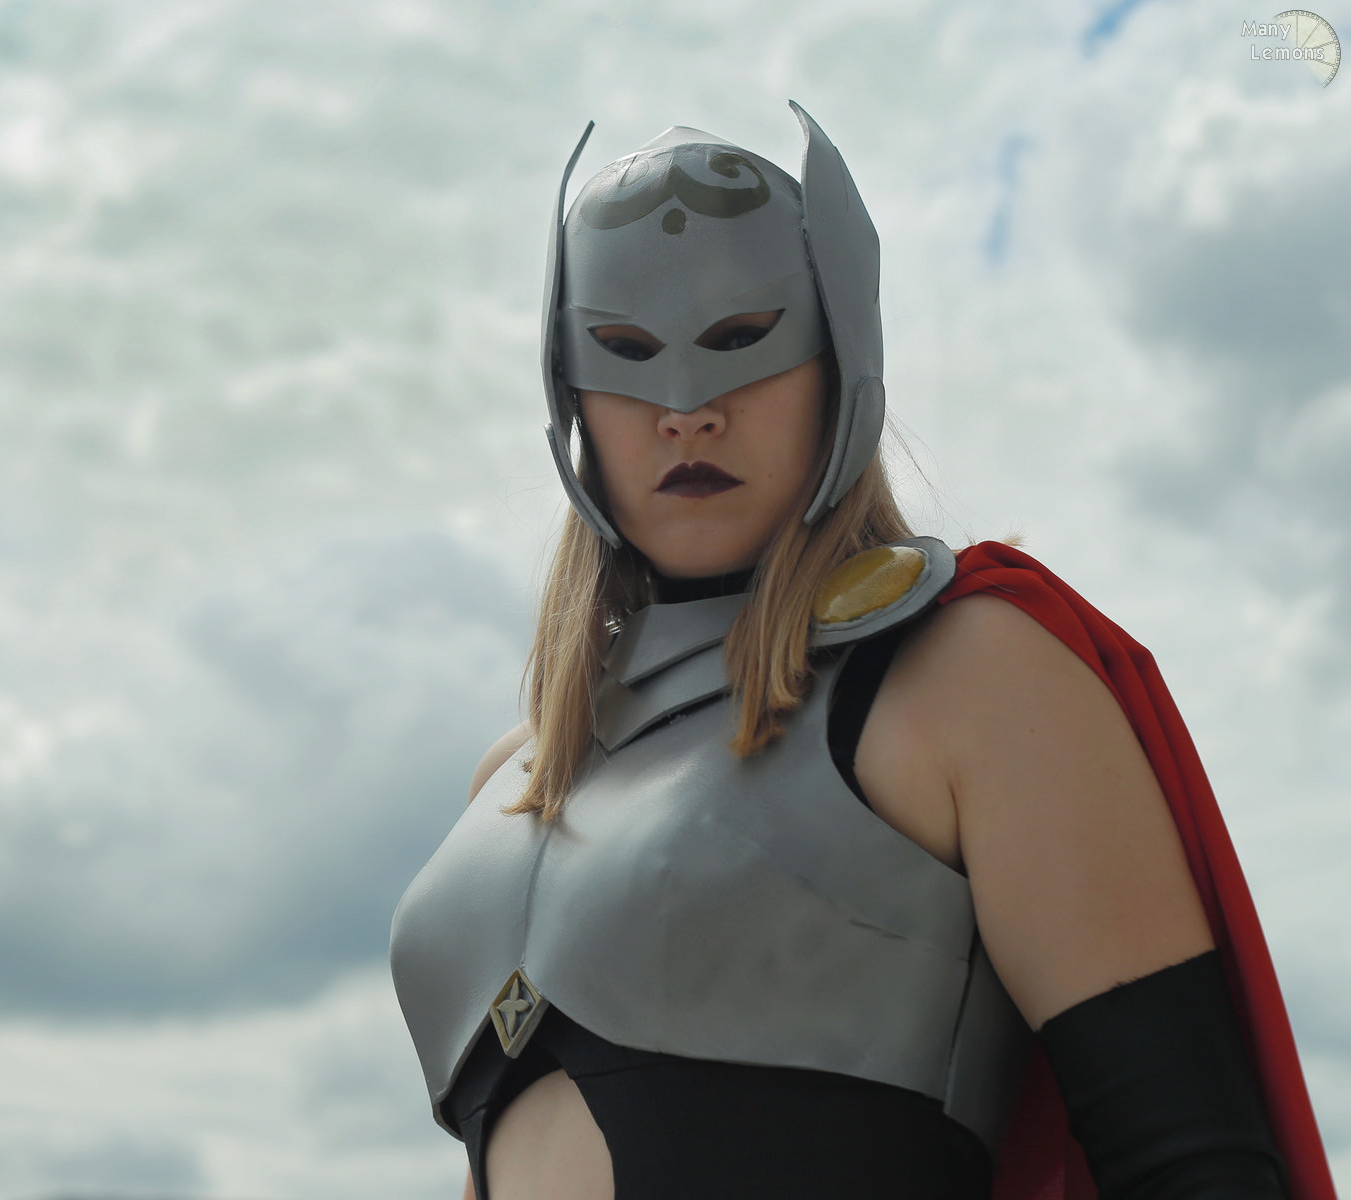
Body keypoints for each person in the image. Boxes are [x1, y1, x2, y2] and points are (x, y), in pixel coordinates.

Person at [388, 103, 1335, 1200]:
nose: (687, 412)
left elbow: (1193, 1161)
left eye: (742, 340)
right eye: (627, 353)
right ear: (570, 392)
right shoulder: (512, 777)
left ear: (839, 361)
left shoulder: (967, 674)